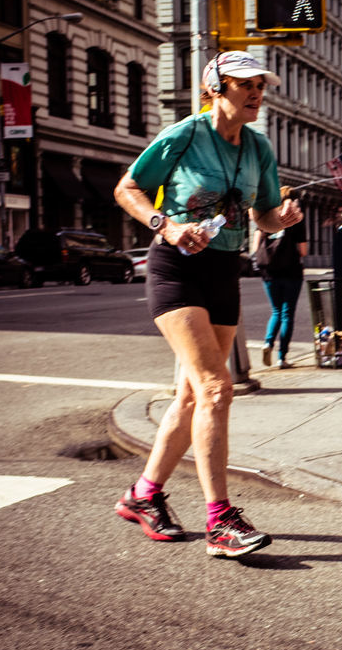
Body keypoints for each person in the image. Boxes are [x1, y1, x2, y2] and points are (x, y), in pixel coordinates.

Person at [112, 51, 302, 558]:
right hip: (176, 268)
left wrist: (279, 219)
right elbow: (127, 188)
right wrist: (166, 225)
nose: (257, 92)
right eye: (246, 84)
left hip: (224, 270)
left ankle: (143, 495)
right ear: (216, 88)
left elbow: (261, 214)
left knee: (192, 397)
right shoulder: (184, 136)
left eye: (261, 84)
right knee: (218, 388)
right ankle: (220, 521)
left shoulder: (258, 146)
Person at [253, 185, 308, 368]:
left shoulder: (266, 216)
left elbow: (255, 248)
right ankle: (281, 358)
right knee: (287, 314)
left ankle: (268, 342)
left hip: (269, 272)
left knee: (276, 311)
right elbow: (303, 250)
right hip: (291, 272)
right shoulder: (296, 217)